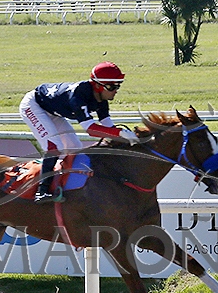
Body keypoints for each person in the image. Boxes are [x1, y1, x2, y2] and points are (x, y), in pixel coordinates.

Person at [19, 62, 139, 203]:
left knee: (74, 147)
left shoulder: (102, 99)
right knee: (54, 146)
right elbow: (90, 129)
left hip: (52, 110)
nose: (115, 91)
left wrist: (127, 137)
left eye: (118, 86)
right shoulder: (78, 97)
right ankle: (42, 191)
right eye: (111, 87)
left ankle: (61, 182)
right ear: (98, 86)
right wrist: (119, 133)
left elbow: (109, 127)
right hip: (34, 106)